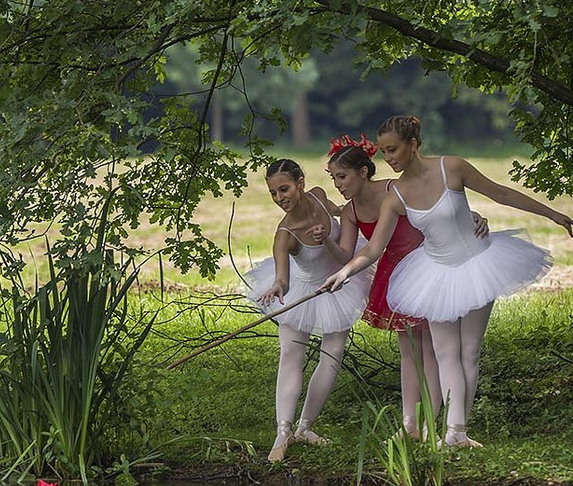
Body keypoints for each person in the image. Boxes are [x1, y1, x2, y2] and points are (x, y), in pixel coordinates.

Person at [323, 115, 573, 448]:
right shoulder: (395, 194)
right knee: (445, 354)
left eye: (393, 150)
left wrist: (555, 215)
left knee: (468, 352)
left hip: (476, 265)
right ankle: (453, 433)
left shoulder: (451, 167)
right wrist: (344, 272)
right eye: (383, 152)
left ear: (414, 144)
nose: (389, 158)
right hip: (434, 273)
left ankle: (457, 432)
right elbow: (373, 248)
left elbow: (502, 194)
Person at [327, 136, 488, 440]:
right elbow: (353, 252)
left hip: (427, 267)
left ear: (363, 171)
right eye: (333, 177)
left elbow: (437, 205)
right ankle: (409, 423)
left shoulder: (394, 189)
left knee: (434, 350)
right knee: (409, 351)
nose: (338, 184)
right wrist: (328, 245)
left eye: (342, 176)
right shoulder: (350, 211)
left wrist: (472, 217)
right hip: (396, 277)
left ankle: (433, 420)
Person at [245, 158, 370, 462]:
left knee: (332, 356)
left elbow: (341, 214)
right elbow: (283, 279)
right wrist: (276, 287)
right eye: (273, 193)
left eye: (284, 189)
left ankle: (306, 428)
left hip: (337, 285)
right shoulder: (285, 234)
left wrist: (351, 213)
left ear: (300, 183)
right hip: (302, 289)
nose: (280, 198)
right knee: (290, 355)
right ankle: (283, 430)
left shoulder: (318, 194)